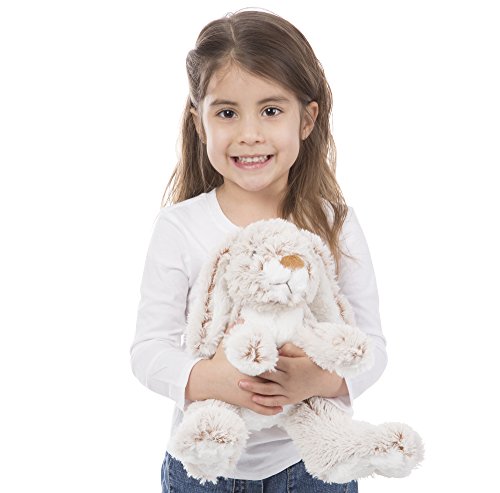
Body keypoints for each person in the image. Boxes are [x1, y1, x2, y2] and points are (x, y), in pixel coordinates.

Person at [130, 9, 387, 493]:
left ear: (307, 119)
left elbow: (370, 347)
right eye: (227, 113)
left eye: (271, 110)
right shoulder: (179, 227)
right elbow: (149, 350)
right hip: (205, 470)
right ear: (200, 123)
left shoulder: (335, 224)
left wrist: (315, 380)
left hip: (313, 468)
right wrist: (212, 380)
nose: (249, 133)